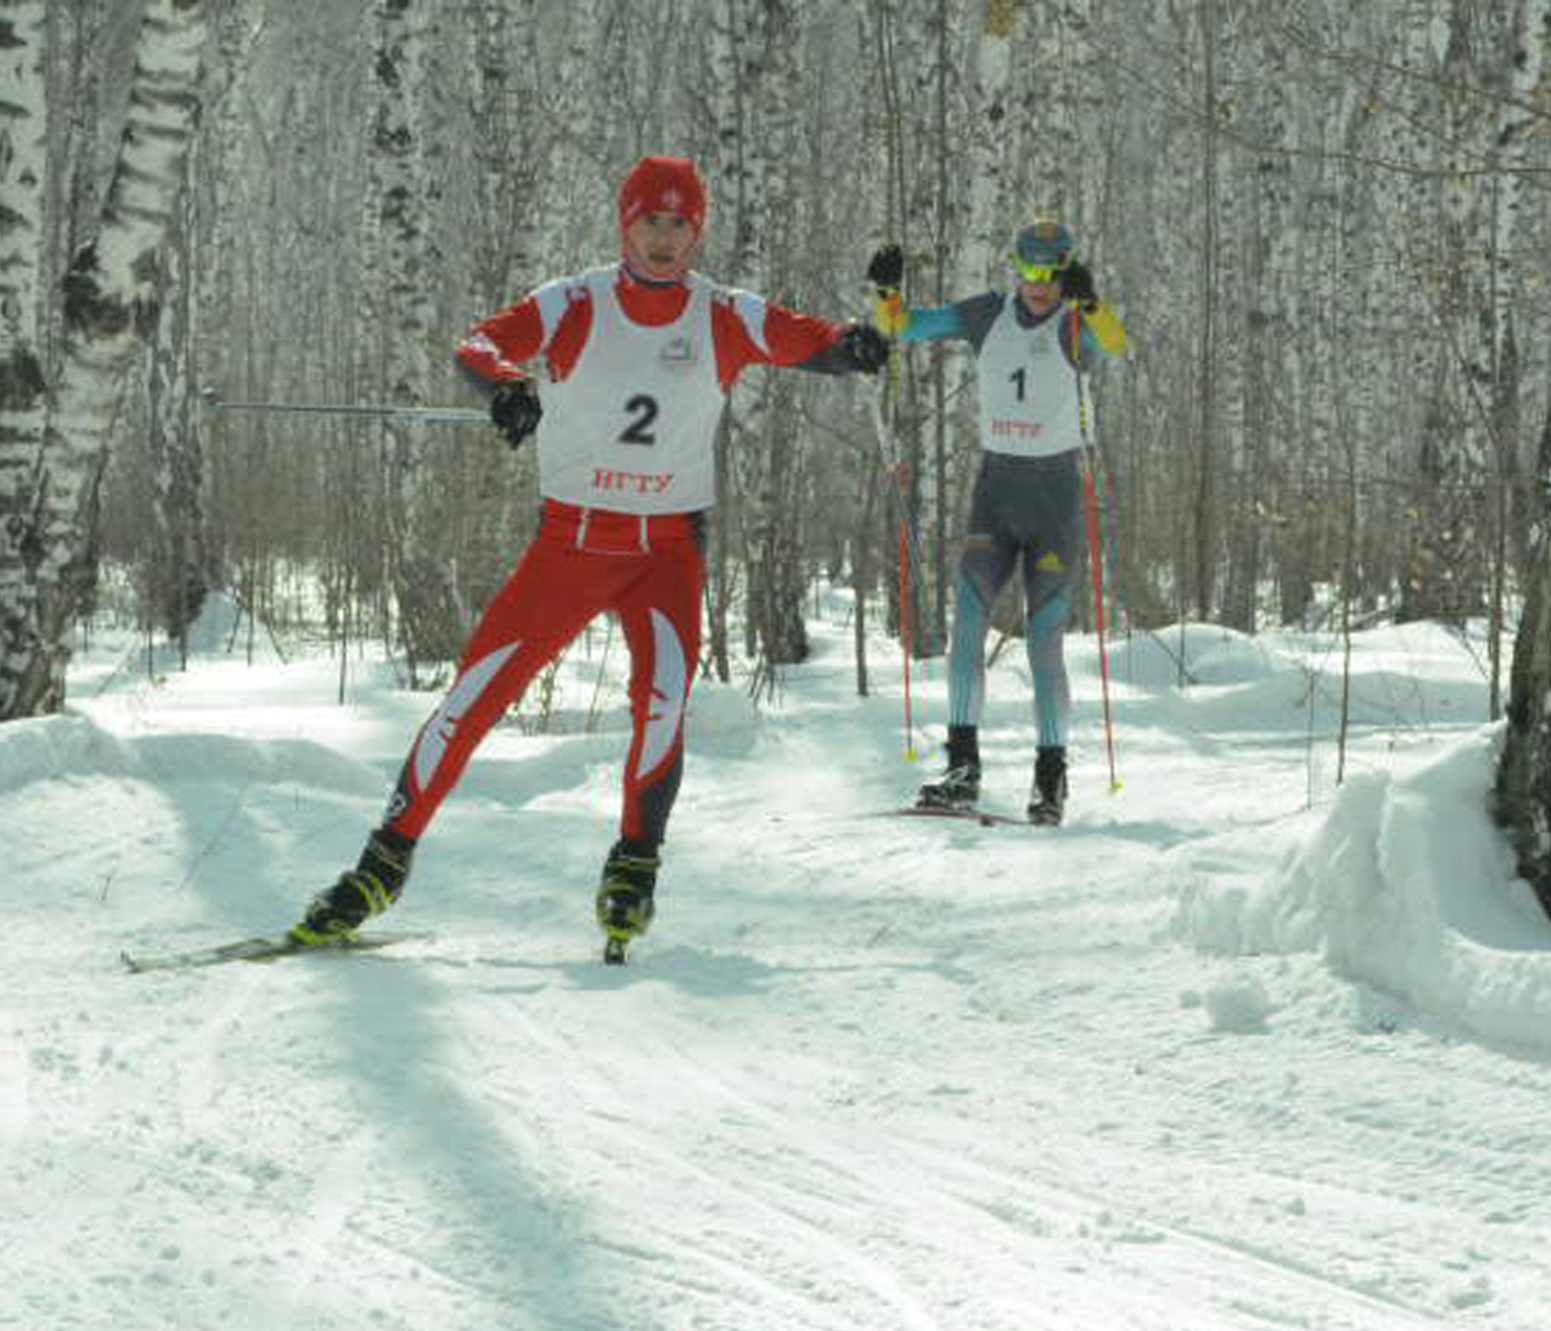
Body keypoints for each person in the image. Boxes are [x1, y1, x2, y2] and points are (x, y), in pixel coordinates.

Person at [290, 154, 888, 959]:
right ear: (626, 223)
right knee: (474, 698)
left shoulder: (722, 313)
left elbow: (813, 341)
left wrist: (859, 343)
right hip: (572, 542)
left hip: (667, 551)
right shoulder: (575, 301)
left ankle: (634, 866)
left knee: (663, 702)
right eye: (652, 221)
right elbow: (476, 343)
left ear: (698, 229)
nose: (666, 239)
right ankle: (381, 865)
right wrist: (504, 384)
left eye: (681, 224)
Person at [867, 220, 1128, 826]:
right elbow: (905, 327)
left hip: (1055, 496)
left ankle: (1050, 779)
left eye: (1052, 272)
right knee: (968, 621)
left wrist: (1090, 302)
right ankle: (962, 769)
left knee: (1044, 642)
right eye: (1030, 270)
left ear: (1066, 271)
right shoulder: (989, 313)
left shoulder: (1076, 323)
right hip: (997, 489)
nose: (1039, 284)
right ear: (1016, 267)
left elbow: (1114, 343)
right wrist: (885, 293)